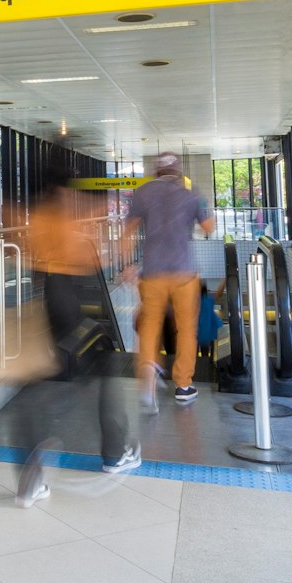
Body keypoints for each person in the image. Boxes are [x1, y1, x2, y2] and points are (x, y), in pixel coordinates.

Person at [15, 170, 140, 506]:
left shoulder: (36, 216)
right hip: (66, 304)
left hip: (40, 304)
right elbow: (88, 256)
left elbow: (23, 249)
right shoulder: (64, 215)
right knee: (106, 365)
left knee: (34, 386)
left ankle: (29, 478)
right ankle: (116, 452)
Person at [124, 153, 215, 408]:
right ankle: (184, 385)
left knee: (150, 324)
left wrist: (127, 266)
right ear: (177, 171)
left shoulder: (142, 193)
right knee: (186, 328)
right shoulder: (190, 192)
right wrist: (202, 204)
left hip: (152, 272)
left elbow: (127, 232)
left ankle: (149, 372)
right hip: (184, 272)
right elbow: (209, 228)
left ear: (156, 172)